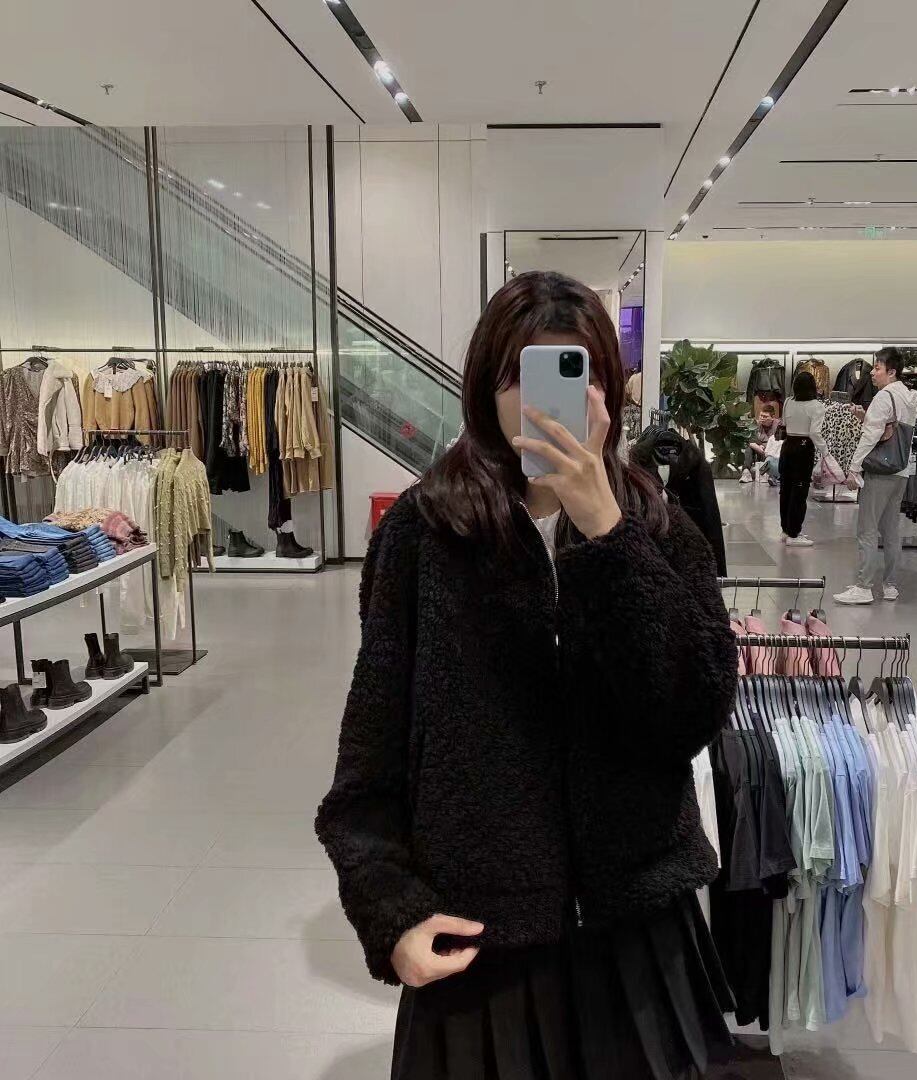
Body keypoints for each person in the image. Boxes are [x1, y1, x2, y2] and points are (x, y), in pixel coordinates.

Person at [316, 271, 739, 1080]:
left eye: (575, 376)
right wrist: (391, 912)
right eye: (522, 377)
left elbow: (693, 711)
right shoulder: (423, 535)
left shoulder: (656, 525)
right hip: (482, 943)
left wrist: (607, 535)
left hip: (637, 935)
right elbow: (369, 759)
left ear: (608, 394)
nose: (544, 403)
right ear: (486, 388)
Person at [834, 347, 917, 605]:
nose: (872, 372)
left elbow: (871, 436)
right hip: (900, 470)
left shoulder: (884, 396)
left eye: (878, 368)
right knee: (891, 530)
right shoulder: (908, 396)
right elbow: (889, 431)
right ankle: (890, 585)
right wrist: (866, 418)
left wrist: (854, 467)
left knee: (867, 530)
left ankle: (864, 586)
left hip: (880, 471)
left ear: (891, 372)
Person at [779, 371, 827, 546]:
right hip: (803, 448)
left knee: (785, 489)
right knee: (799, 492)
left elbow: (784, 423)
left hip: (788, 446)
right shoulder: (817, 406)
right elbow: (815, 433)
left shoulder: (788, 402)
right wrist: (825, 451)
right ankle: (794, 533)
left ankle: (786, 530)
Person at [739, 407, 779, 483]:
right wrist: (757, 446)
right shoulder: (756, 424)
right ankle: (746, 473)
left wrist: (765, 449)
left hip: (772, 453)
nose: (762, 418)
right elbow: (749, 438)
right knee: (749, 448)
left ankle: (773, 475)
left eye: (765, 416)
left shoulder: (778, 425)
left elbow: (778, 442)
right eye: (761, 416)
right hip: (760, 452)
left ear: (772, 417)